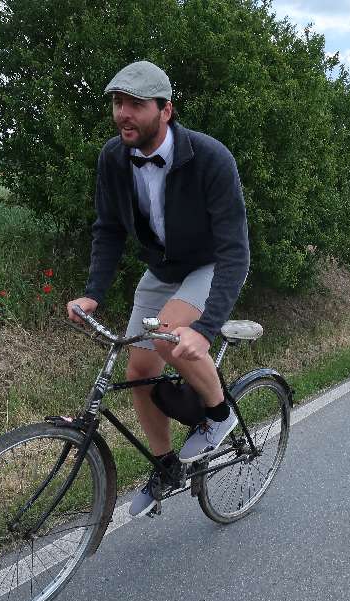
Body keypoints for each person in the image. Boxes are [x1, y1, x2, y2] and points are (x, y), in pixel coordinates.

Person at [66, 61, 250, 517]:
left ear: (165, 110)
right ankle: (166, 466)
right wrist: (93, 293)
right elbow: (108, 229)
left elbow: (235, 251)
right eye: (117, 103)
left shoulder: (210, 158)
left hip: (208, 264)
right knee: (138, 371)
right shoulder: (114, 157)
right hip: (162, 269)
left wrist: (205, 329)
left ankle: (219, 414)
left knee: (169, 334)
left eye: (135, 104)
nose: (123, 113)